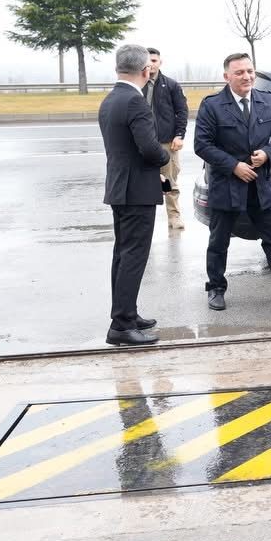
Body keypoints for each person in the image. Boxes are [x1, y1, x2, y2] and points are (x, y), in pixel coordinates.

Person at [194, 52, 271, 310]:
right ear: (226, 76)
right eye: (239, 72)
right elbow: (202, 145)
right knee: (219, 242)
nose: (246, 76)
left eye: (250, 71)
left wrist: (269, 152)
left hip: (260, 184)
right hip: (227, 185)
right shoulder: (212, 105)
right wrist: (233, 166)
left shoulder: (266, 100)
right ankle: (216, 288)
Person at [97, 44, 170, 346]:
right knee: (133, 257)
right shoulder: (135, 102)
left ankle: (126, 313)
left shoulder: (110, 99)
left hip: (119, 188)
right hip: (137, 191)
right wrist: (165, 158)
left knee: (123, 255)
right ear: (146, 70)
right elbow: (149, 149)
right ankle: (122, 325)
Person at [144, 47, 190, 230]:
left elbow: (182, 111)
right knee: (144, 182)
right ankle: (145, 221)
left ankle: (174, 217)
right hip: (144, 142)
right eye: (147, 60)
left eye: (154, 60)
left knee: (169, 181)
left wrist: (179, 135)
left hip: (166, 142)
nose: (151, 64)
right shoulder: (137, 85)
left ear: (160, 62)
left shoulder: (171, 85)